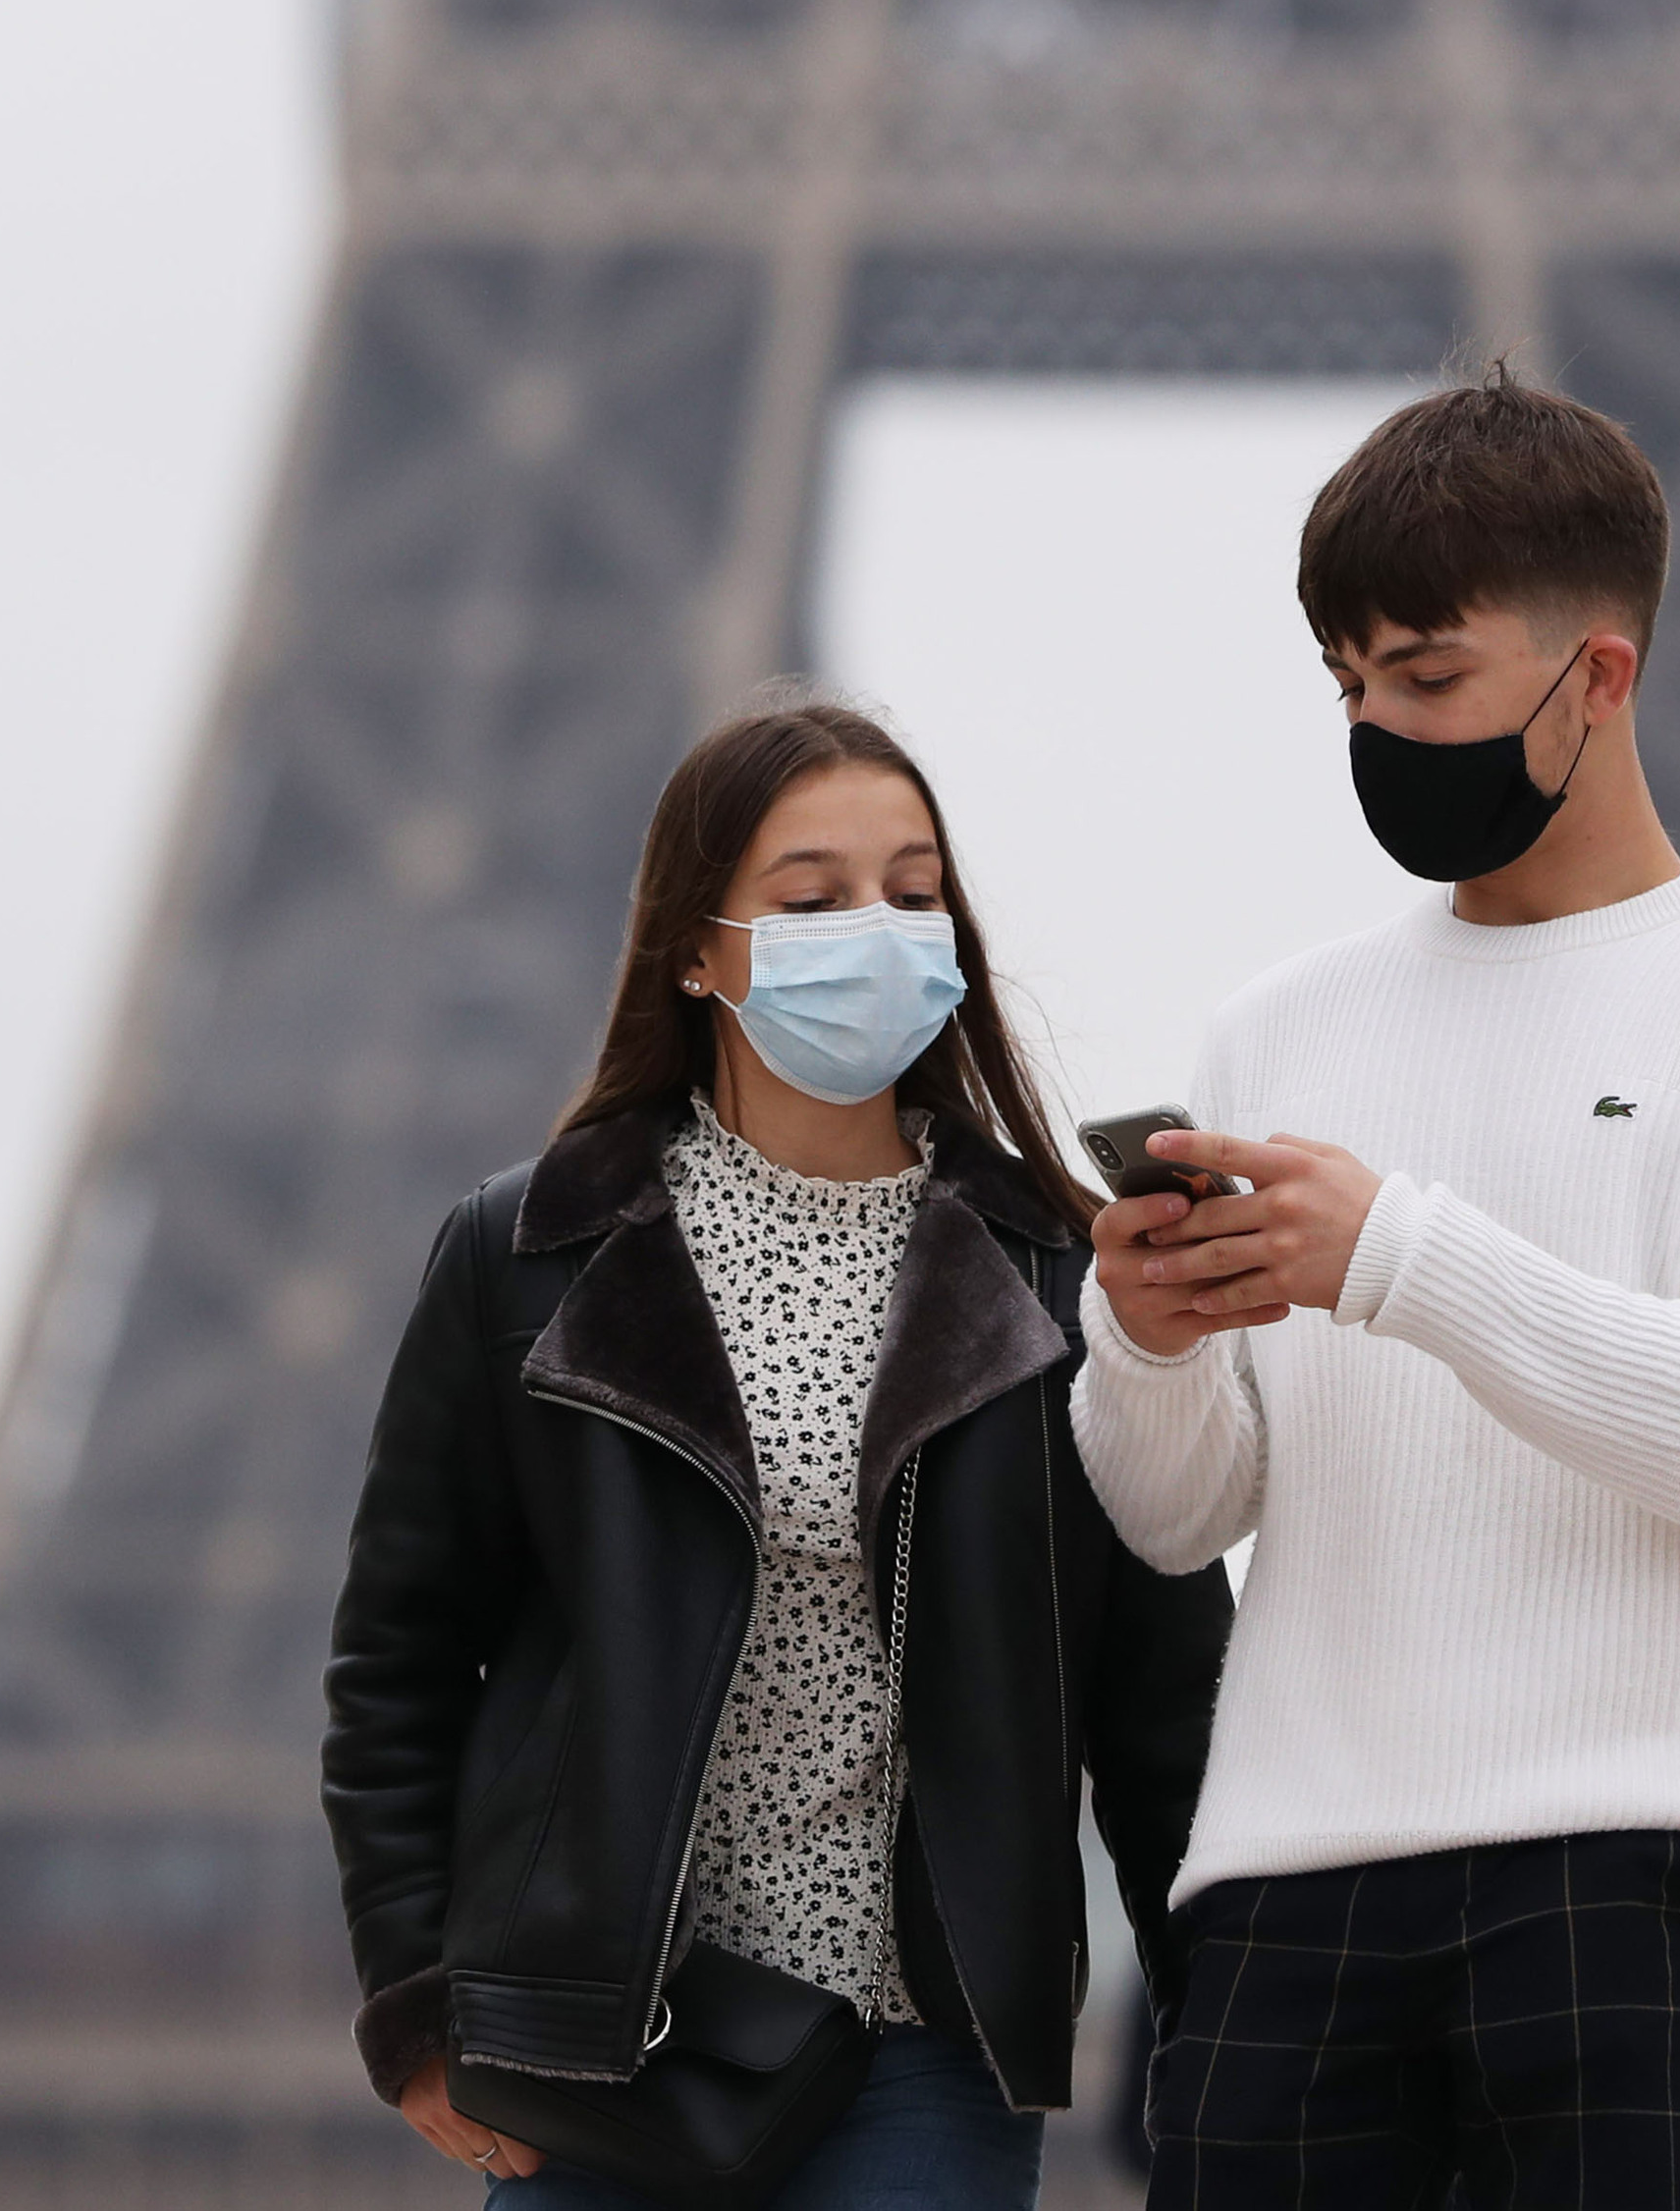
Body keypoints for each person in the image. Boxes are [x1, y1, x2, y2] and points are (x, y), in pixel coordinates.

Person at [1071, 368, 1680, 2211]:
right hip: (1283, 1880)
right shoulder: (1281, 1025)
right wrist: (1142, 1337)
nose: (1379, 725)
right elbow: (1174, 1511)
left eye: (1428, 677)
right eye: (1350, 685)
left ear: (1597, 676)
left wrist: (1400, 1258)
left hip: (1612, 1863)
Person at [324, 699, 1234, 2209]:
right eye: (813, 899)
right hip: (605, 2035)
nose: (875, 929)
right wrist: (418, 2004)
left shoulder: (1062, 1274)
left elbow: (1165, 1699)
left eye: (914, 889)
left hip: (926, 2047)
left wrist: (1217, 2028)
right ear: (698, 946)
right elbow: (399, 1663)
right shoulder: (527, 1255)